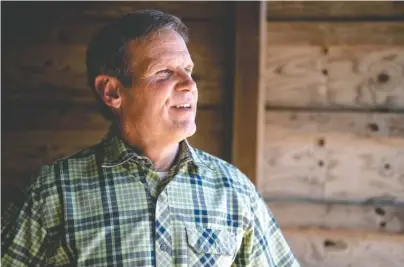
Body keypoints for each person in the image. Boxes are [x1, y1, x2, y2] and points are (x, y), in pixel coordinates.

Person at [1, 10, 300, 267]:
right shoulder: (52, 193)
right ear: (113, 92)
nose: (189, 85)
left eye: (188, 70)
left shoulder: (234, 190)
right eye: (164, 73)